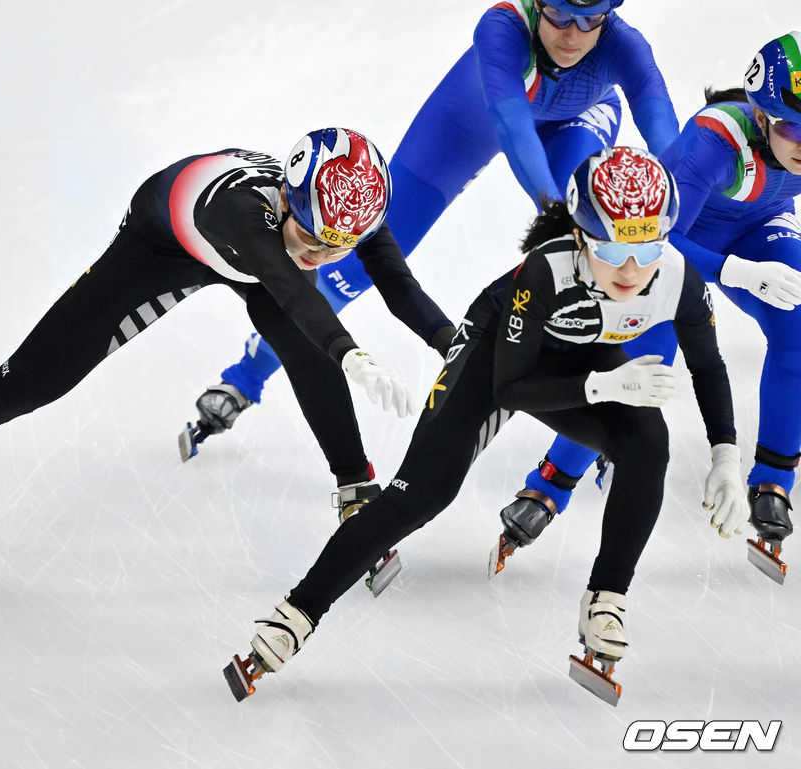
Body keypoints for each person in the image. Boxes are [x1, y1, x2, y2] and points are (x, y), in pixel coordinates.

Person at [0, 128, 456, 570]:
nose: (317, 253)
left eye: (334, 248)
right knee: (27, 383)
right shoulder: (247, 216)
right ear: (287, 197)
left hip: (258, 256)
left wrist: (452, 343)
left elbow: (398, 283)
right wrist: (351, 351)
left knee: (307, 351)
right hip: (162, 242)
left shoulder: (346, 210)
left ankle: (354, 492)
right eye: (310, 237)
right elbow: (287, 281)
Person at [223, 146, 748, 705]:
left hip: (578, 362)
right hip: (495, 358)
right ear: (579, 237)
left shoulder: (675, 277)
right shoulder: (544, 273)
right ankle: (295, 614)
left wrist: (726, 455)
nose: (631, 269)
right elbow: (511, 390)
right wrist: (603, 386)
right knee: (420, 495)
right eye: (614, 247)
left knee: (649, 445)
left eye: (646, 247)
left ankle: (606, 601)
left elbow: (709, 365)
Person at [182, 0, 681, 453]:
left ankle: (603, 430)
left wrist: (682, 213)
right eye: (558, 16)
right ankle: (245, 377)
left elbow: (671, 146)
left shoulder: (624, 44)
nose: (572, 35)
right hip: (475, 112)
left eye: (590, 19)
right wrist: (553, 206)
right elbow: (512, 126)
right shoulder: (503, 28)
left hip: (580, 117)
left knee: (604, 253)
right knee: (352, 261)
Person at [493, 32, 801, 585]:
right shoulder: (715, 141)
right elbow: (665, 239)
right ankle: (549, 483)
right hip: (667, 247)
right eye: (791, 127)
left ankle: (774, 479)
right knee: (642, 362)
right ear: (760, 113)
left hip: (761, 234)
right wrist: (735, 272)